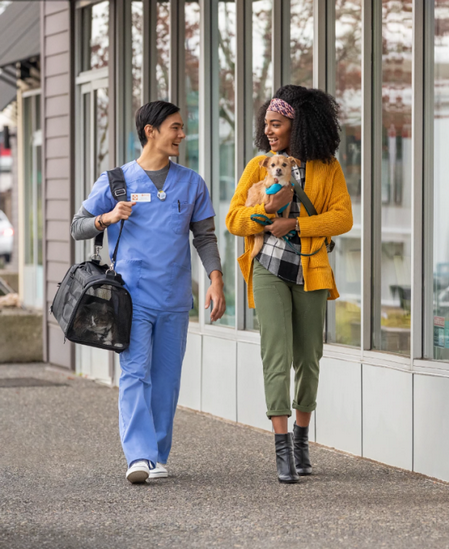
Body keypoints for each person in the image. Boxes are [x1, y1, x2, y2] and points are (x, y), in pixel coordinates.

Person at [71, 101, 226, 483]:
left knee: (167, 378)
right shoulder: (115, 181)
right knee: (135, 373)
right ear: (151, 131)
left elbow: (204, 237)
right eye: (175, 127)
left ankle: (157, 455)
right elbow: (77, 226)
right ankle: (138, 456)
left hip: (174, 299)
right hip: (132, 298)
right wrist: (106, 218)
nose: (181, 135)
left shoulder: (192, 183)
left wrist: (216, 278)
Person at [226, 85, 353, 483]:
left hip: (310, 267)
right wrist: (264, 215)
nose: (268, 131)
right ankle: (282, 448)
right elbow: (233, 219)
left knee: (309, 357)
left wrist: (295, 223)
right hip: (267, 265)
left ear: (297, 126)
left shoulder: (326, 167)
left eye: (276, 124)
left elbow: (342, 218)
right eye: (265, 124)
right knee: (275, 353)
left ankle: (301, 438)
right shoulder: (259, 165)